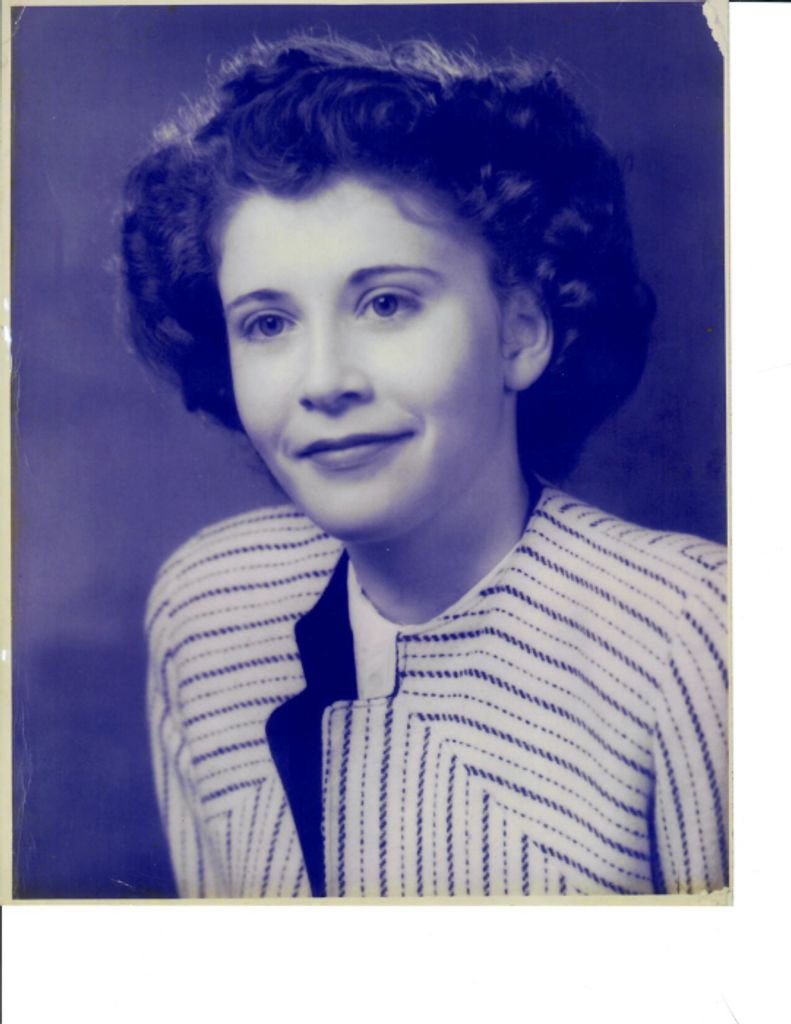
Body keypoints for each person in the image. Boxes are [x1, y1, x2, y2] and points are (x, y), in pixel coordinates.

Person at [122, 33, 728, 898]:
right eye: (267, 323)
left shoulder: (689, 634)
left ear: (520, 330)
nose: (323, 381)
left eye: (386, 304)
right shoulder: (208, 611)